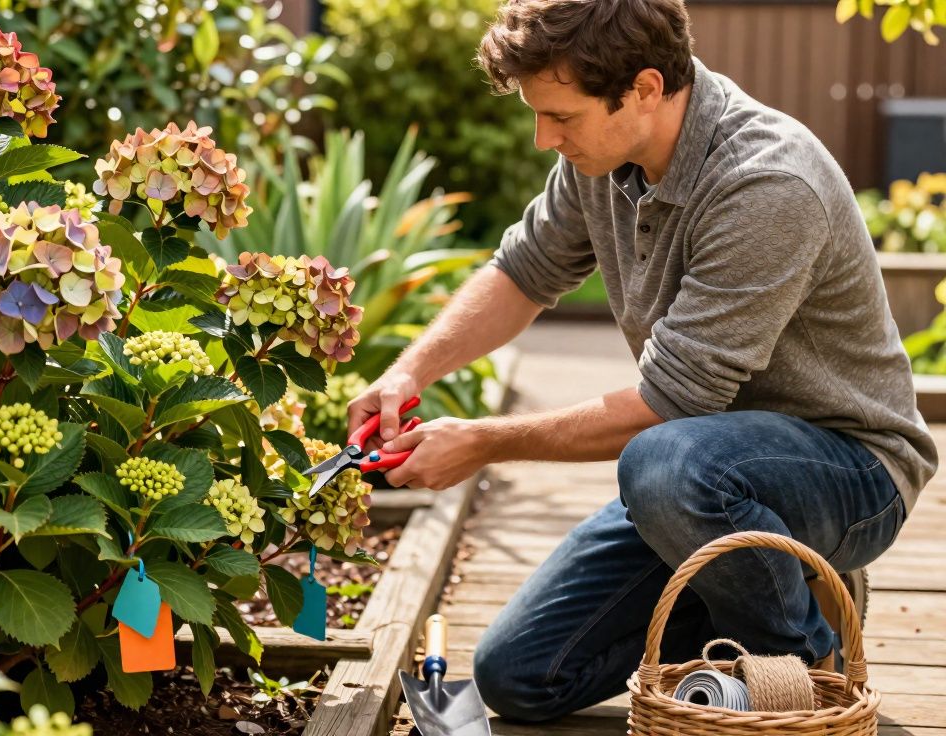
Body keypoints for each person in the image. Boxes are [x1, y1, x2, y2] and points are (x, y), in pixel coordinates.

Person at [347, 0, 938, 722]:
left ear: (646, 89)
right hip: (705, 473)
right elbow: (523, 273)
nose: (543, 138)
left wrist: (481, 442)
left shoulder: (768, 183)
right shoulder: (606, 158)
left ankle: (807, 665)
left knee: (661, 465)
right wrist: (407, 373)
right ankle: (760, 585)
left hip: (848, 470)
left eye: (561, 118)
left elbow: (669, 405)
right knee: (517, 676)